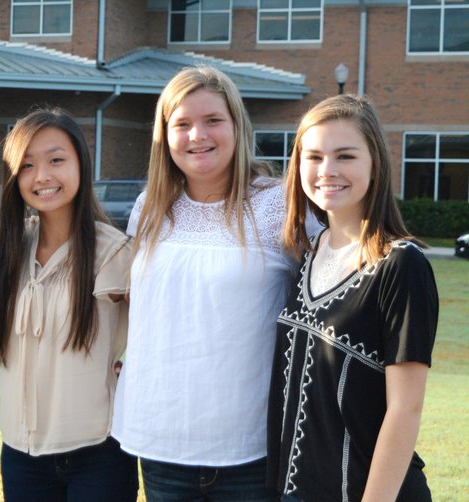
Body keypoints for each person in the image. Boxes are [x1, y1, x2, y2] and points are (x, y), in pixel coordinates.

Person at [110, 66, 306, 500]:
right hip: (161, 438)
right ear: (165, 136)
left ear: (237, 125)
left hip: (249, 447)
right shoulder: (149, 207)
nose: (198, 134)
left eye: (213, 120)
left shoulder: (280, 204)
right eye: (182, 123)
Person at [270, 94, 437, 501]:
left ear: (374, 163)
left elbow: (405, 410)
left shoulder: (401, 265)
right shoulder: (304, 255)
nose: (327, 170)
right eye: (313, 157)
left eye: (345, 156)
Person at [0, 108, 137, 501]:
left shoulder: (115, 252)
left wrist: (133, 367)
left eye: (56, 160)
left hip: (98, 453)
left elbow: (160, 329)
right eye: (27, 165)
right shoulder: (3, 245)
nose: (42, 176)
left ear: (80, 165)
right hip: (21, 456)